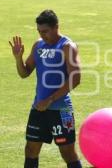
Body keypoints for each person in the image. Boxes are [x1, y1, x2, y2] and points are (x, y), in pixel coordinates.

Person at [9, 10, 82, 168]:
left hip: (60, 109)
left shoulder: (67, 46)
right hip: (39, 108)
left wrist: (49, 100)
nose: (42, 35)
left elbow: (75, 79)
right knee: (30, 150)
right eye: (39, 32)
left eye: (45, 32)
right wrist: (18, 58)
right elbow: (24, 73)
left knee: (67, 152)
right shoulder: (38, 45)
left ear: (56, 27)